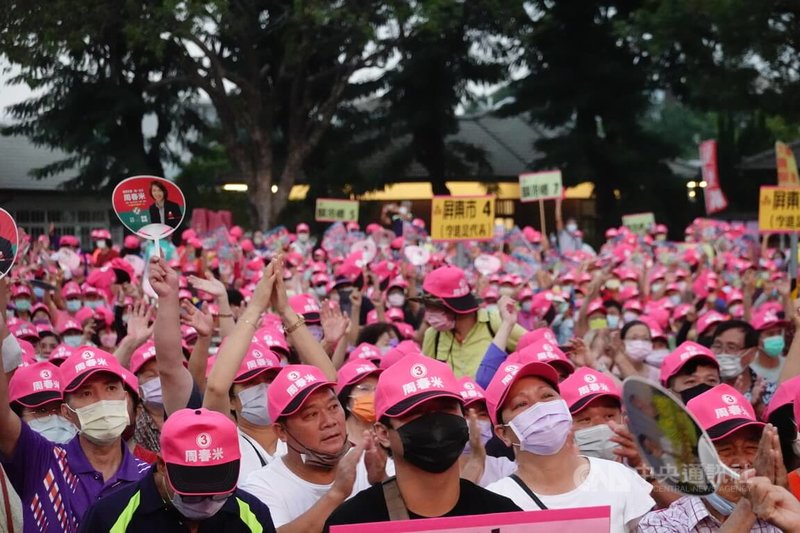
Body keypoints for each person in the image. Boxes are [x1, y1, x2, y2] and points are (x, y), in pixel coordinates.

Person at [325, 354, 520, 528]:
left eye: (446, 408)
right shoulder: (352, 523)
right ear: (383, 433)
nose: (435, 423)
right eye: (416, 413)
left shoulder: (505, 518)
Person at [484, 359, 655, 531]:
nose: (540, 408)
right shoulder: (494, 501)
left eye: (547, 396)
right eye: (521, 404)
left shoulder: (618, 477)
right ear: (503, 433)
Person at [0, 342, 150, 531]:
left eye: (111, 388)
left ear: (125, 398)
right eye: (86, 393)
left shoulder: (148, 478)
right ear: (67, 412)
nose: (102, 401)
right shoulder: (43, 462)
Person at [77, 407, 276, 532]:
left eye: (218, 494)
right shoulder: (110, 517)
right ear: (163, 465)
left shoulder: (253, 515)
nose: (206, 504)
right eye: (192, 495)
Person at [240, 364, 374, 532]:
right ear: (281, 431)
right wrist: (337, 494)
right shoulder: (261, 487)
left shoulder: (371, 464)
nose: (329, 422)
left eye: (333, 407)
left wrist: (382, 483)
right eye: (311, 414)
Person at [637, 384, 782, 532]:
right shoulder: (662, 523)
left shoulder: (779, 518)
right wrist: (750, 503)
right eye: (726, 450)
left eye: (751, 448)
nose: (743, 462)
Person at [416, 266, 525, 378]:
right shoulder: (433, 336)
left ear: (453, 307)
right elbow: (426, 377)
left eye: (434, 307)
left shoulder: (496, 323)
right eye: (427, 306)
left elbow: (535, 349)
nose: (428, 313)